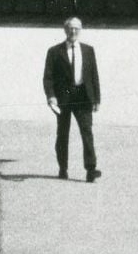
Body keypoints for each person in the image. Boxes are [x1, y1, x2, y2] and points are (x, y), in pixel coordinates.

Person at [42, 16, 103, 182]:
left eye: (77, 28)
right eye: (70, 28)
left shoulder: (88, 50)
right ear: (65, 30)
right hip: (63, 99)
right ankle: (63, 167)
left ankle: (91, 169)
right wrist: (51, 97)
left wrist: (97, 98)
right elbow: (48, 78)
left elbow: (94, 76)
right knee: (62, 134)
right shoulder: (54, 51)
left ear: (80, 30)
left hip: (83, 97)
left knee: (87, 133)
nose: (73, 31)